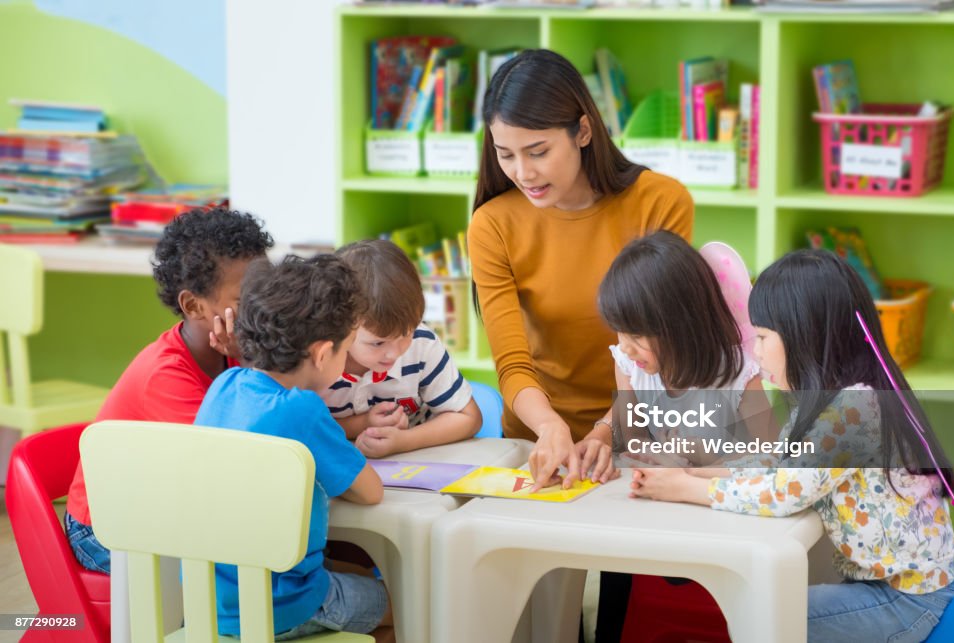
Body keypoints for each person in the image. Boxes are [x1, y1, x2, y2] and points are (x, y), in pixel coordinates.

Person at [631, 249, 954, 642]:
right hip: (888, 591)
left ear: (808, 336)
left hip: (906, 602)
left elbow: (783, 492)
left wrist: (684, 489)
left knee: (765, 615)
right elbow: (779, 461)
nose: (755, 351)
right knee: (763, 607)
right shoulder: (829, 400)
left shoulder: (853, 410)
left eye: (764, 337)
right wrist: (697, 468)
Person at [468, 48, 695, 491]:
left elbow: (661, 349)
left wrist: (609, 429)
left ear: (583, 132)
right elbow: (512, 364)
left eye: (537, 151)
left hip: (644, 433)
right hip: (537, 439)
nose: (523, 172)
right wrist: (550, 429)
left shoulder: (661, 203)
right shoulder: (492, 224)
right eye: (506, 154)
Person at [195, 254, 393, 642]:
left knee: (350, 575)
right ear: (322, 353)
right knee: (407, 604)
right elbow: (371, 492)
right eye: (346, 349)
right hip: (283, 605)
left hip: (213, 600)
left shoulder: (226, 384)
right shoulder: (301, 409)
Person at [64, 207, 273, 574]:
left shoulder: (234, 352)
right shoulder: (166, 375)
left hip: (165, 506)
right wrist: (253, 361)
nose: (265, 309)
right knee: (248, 564)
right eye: (245, 301)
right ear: (193, 305)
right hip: (104, 529)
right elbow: (243, 459)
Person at [582, 230, 773, 481]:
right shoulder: (630, 366)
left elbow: (773, 456)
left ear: (681, 325)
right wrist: (649, 455)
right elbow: (635, 441)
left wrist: (708, 459)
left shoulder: (739, 375)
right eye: (620, 332)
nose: (626, 348)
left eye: (637, 336)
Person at [321, 239, 481, 457]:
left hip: (414, 465)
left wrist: (403, 441)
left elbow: (468, 417)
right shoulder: (318, 358)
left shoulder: (422, 343)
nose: (395, 353)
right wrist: (361, 424)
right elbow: (297, 428)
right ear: (341, 325)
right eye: (378, 343)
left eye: (406, 334)